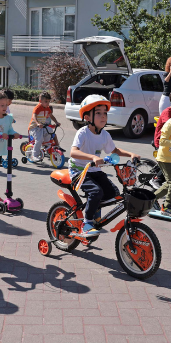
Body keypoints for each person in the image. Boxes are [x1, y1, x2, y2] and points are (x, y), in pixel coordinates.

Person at [69, 95, 140, 237]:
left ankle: (94, 207)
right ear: (88, 117)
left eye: (105, 113)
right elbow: (73, 152)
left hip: (94, 170)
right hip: (79, 171)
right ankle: (87, 222)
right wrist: (93, 157)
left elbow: (114, 151)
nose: (103, 116)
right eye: (99, 113)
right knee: (96, 192)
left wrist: (130, 154)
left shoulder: (105, 135)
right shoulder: (83, 133)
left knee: (113, 193)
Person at [28, 91, 61, 163]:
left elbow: (51, 116)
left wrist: (56, 122)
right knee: (39, 139)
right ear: (40, 101)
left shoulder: (47, 108)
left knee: (50, 130)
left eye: (49, 101)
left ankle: (45, 144)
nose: (48, 103)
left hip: (42, 126)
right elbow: (34, 116)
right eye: (46, 101)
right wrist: (37, 123)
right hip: (34, 127)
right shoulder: (38, 107)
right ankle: (35, 155)